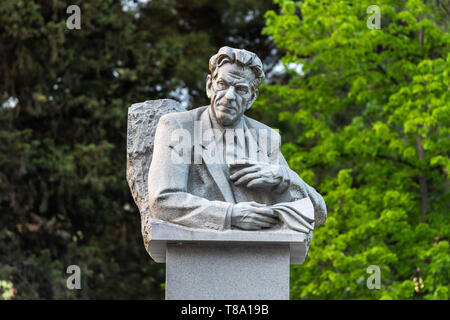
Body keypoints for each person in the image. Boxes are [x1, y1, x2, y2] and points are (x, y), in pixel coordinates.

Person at [148, 46, 326, 231]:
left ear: (252, 97)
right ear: (210, 86)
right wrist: (230, 215)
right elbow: (163, 201)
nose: (229, 96)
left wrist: (285, 177)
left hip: (261, 252)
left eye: (241, 89)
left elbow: (317, 213)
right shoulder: (179, 127)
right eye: (222, 84)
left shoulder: (265, 138)